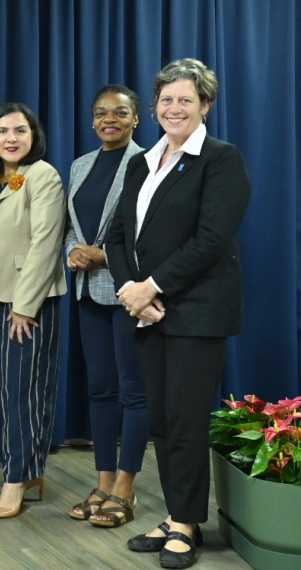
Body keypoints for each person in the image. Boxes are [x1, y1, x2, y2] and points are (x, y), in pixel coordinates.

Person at [106, 58, 250, 569]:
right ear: (154, 107)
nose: (174, 108)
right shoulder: (142, 161)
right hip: (149, 311)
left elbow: (211, 239)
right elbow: (117, 234)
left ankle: (188, 525)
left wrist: (152, 286)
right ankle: (175, 513)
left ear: (205, 105)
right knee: (162, 422)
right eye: (166, 100)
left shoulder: (220, 158)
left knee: (186, 421)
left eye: (185, 99)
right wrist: (129, 287)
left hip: (195, 312)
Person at [63, 85, 148, 528]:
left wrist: (105, 256)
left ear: (136, 118)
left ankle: (126, 489)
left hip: (130, 292)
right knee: (101, 391)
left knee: (134, 391)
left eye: (120, 112)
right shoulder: (80, 166)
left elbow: (151, 233)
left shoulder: (150, 163)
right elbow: (70, 227)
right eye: (100, 113)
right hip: (87, 291)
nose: (108, 119)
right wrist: (74, 252)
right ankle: (102, 480)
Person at [0, 102, 67, 519]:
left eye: (20, 131)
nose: (11, 138)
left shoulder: (42, 175)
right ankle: (21, 471)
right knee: (2, 391)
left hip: (26, 303)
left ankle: (18, 478)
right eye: (2, 131)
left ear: (34, 137)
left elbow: (46, 242)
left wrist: (25, 306)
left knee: (24, 391)